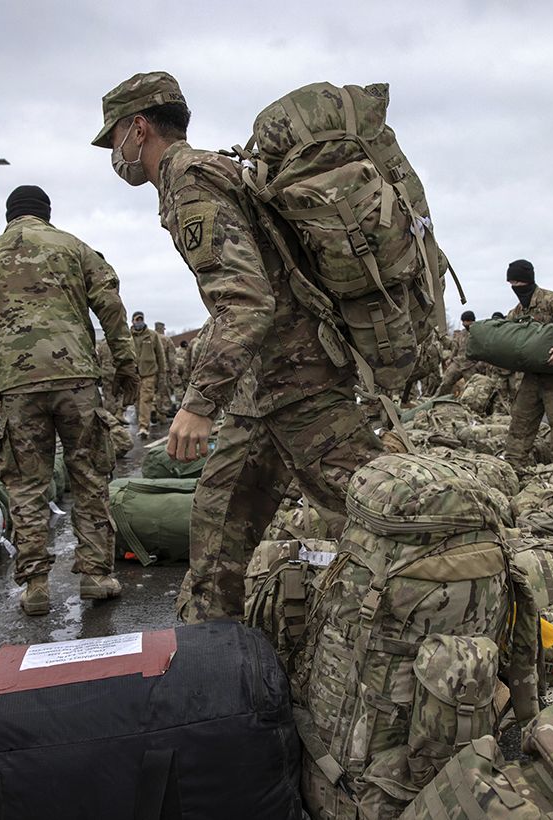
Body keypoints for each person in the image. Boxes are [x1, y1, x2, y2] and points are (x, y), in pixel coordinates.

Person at [92, 71, 384, 622]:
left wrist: (199, 404)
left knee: (377, 519)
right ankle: (209, 659)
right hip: (266, 389)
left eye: (113, 141)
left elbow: (247, 302)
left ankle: (453, 613)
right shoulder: (211, 171)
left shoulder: (189, 181)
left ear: (138, 129)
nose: (115, 155)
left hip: (299, 385)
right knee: (218, 525)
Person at [0, 185, 139, 614]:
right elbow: (110, 305)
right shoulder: (74, 248)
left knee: (25, 483)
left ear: (8, 215)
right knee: (90, 474)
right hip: (76, 377)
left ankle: (35, 584)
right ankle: (95, 574)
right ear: (47, 214)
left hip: (16, 385)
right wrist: (126, 364)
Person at [502, 259, 553, 470]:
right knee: (521, 421)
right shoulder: (518, 311)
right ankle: (513, 469)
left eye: (519, 282)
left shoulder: (552, 300)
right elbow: (510, 336)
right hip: (532, 375)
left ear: (529, 281)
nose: (516, 288)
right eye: (512, 284)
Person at [129, 310, 166, 438]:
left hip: (149, 372)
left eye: (141, 319)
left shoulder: (152, 335)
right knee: (137, 400)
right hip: (134, 373)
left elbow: (160, 355)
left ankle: (143, 426)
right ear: (132, 321)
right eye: (136, 320)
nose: (139, 322)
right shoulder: (128, 336)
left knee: (146, 398)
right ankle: (145, 419)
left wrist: (162, 372)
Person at [439, 310, 480, 394]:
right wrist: (450, 359)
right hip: (458, 362)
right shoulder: (462, 334)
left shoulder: (479, 333)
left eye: (466, 321)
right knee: (446, 382)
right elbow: (456, 347)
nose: (464, 324)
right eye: (463, 322)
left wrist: (479, 365)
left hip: (471, 365)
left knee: (472, 388)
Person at [154, 320, 180, 417]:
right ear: (162, 329)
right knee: (164, 391)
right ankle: (164, 413)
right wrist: (174, 372)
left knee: (153, 391)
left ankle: (155, 410)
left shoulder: (151, 337)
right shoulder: (166, 340)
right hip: (164, 370)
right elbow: (172, 358)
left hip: (151, 370)